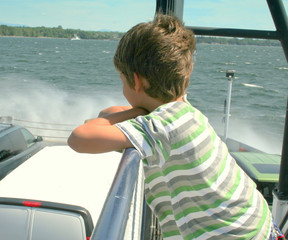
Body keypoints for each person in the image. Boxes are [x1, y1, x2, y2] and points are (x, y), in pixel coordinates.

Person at [68, 14, 276, 239]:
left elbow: (80, 137)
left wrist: (137, 113)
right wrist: (137, 112)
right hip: (257, 226)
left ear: (136, 81)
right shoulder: (181, 111)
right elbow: (105, 115)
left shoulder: (162, 127)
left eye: (121, 79)